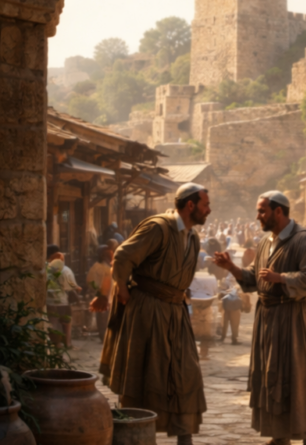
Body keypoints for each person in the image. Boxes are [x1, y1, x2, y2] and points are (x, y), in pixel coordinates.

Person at [213, 191, 306, 445]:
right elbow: (256, 276)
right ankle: (280, 435)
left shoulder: (304, 240)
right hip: (269, 320)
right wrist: (232, 268)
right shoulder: (267, 242)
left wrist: (282, 278)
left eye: (262, 211)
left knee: (299, 376)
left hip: (296, 320)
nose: (258, 216)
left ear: (278, 212)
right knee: (274, 375)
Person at [95, 183, 211, 445]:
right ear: (190, 205)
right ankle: (137, 436)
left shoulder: (192, 236)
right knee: (144, 373)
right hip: (148, 312)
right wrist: (122, 289)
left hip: (176, 313)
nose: (209, 209)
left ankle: (185, 438)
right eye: (206, 204)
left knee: (186, 374)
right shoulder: (158, 227)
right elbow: (123, 255)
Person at [45, 244, 81, 348]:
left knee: (53, 323)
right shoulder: (66, 270)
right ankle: (68, 343)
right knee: (66, 323)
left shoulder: (44, 269)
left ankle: (56, 343)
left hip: (49, 301)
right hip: (63, 301)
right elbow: (70, 288)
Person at [86, 245, 113, 341]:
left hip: (107, 296)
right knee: (103, 316)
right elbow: (91, 282)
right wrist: (99, 292)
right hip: (103, 295)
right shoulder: (100, 267)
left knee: (104, 316)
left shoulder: (104, 267)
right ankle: (104, 336)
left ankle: (105, 336)